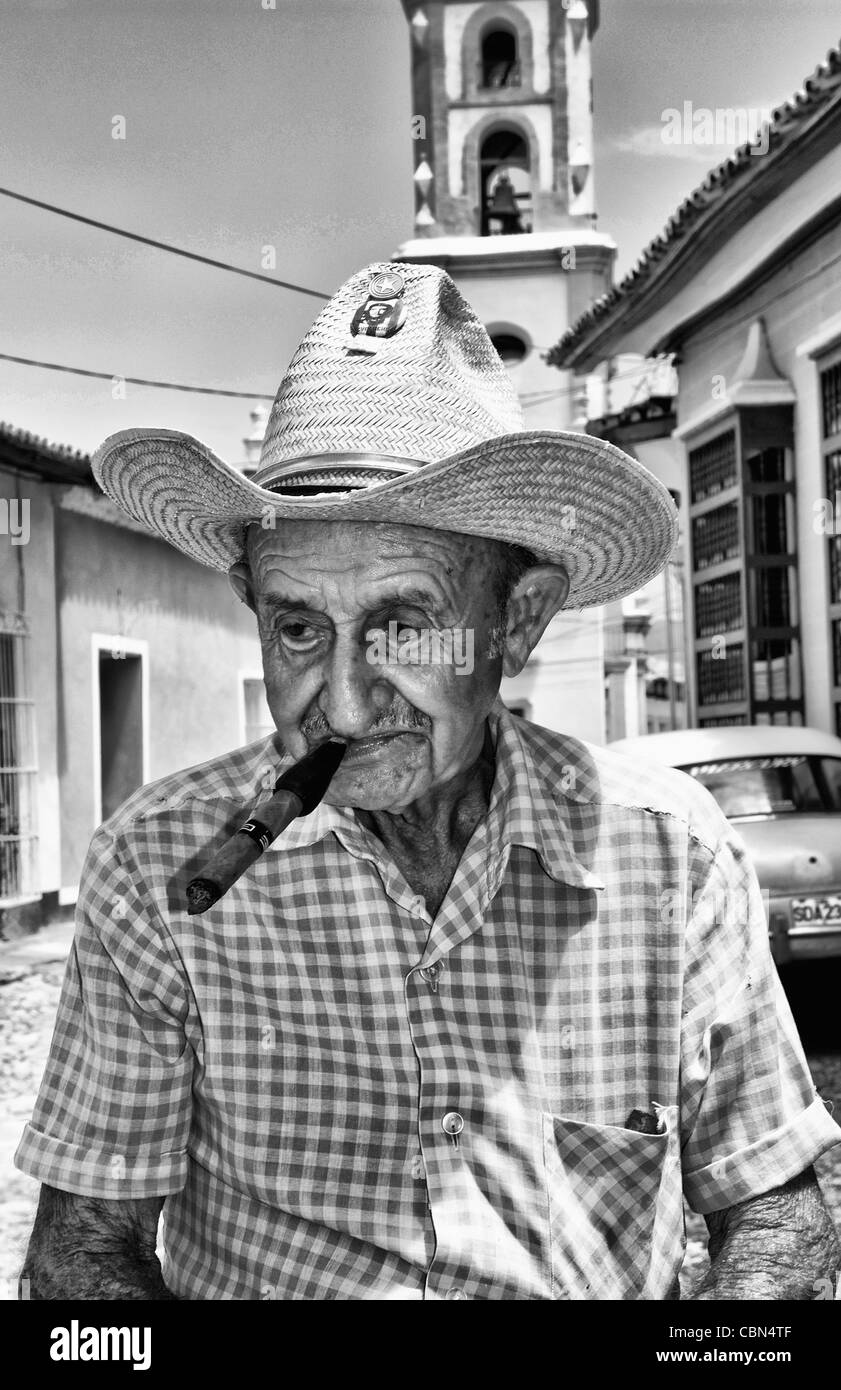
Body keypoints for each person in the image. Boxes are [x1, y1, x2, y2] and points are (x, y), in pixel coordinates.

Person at [17, 262, 840, 1301]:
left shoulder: (666, 852)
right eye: (300, 628)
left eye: (404, 625)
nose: (347, 706)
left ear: (519, 620)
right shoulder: (162, 863)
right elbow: (84, 1252)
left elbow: (773, 1203)